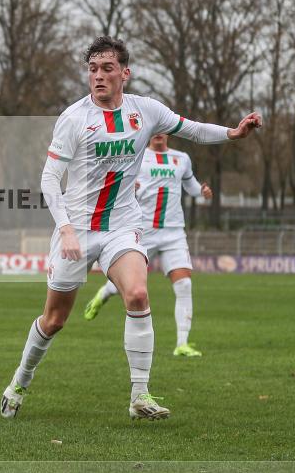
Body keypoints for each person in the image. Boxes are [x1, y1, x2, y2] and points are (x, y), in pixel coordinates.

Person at [0, 36, 261, 421]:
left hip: (122, 225)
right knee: (54, 320)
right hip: (77, 228)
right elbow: (49, 180)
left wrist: (233, 134)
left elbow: (192, 129)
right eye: (92, 69)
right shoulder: (74, 119)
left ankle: (140, 395)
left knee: (138, 294)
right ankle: (19, 381)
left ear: (125, 72)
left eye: (107, 69)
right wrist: (67, 229)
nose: (98, 76)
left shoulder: (146, 111)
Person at [84, 133, 212, 357]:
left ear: (167, 133)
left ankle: (182, 343)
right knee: (130, 283)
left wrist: (202, 192)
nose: (158, 134)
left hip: (173, 231)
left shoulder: (181, 158)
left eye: (163, 129)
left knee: (184, 286)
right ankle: (104, 293)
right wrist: (129, 187)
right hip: (144, 230)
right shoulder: (138, 157)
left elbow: (191, 186)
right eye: (154, 129)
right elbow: (118, 183)